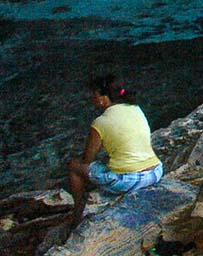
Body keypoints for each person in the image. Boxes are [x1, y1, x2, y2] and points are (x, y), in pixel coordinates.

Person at [66, 74, 163, 225]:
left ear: (103, 98)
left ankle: (78, 212)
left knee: (74, 167)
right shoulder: (135, 108)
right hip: (156, 172)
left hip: (130, 180)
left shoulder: (100, 122)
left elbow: (88, 159)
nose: (92, 98)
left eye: (94, 95)